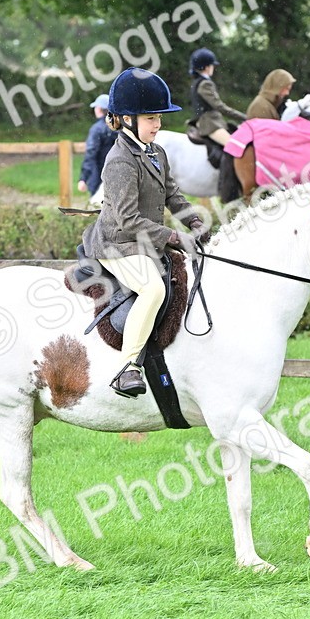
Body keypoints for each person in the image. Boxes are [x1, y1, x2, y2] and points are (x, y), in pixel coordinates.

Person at [82, 68, 207, 398]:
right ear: (125, 118)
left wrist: (196, 223)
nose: (158, 124)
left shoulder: (156, 152)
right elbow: (127, 221)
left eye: (158, 118)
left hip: (146, 240)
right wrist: (175, 237)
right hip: (119, 244)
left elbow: (172, 195)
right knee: (153, 289)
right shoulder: (119, 160)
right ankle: (127, 369)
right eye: (151, 118)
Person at [187, 47, 246, 146]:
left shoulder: (197, 82)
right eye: (212, 65)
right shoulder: (205, 84)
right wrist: (243, 116)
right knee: (234, 146)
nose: (213, 68)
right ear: (206, 67)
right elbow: (219, 106)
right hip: (210, 124)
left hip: (209, 121)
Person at [77, 94, 117, 203]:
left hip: (98, 176)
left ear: (99, 109)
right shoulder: (119, 128)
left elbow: (91, 154)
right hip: (116, 174)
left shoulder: (96, 129)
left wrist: (83, 178)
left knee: (97, 208)